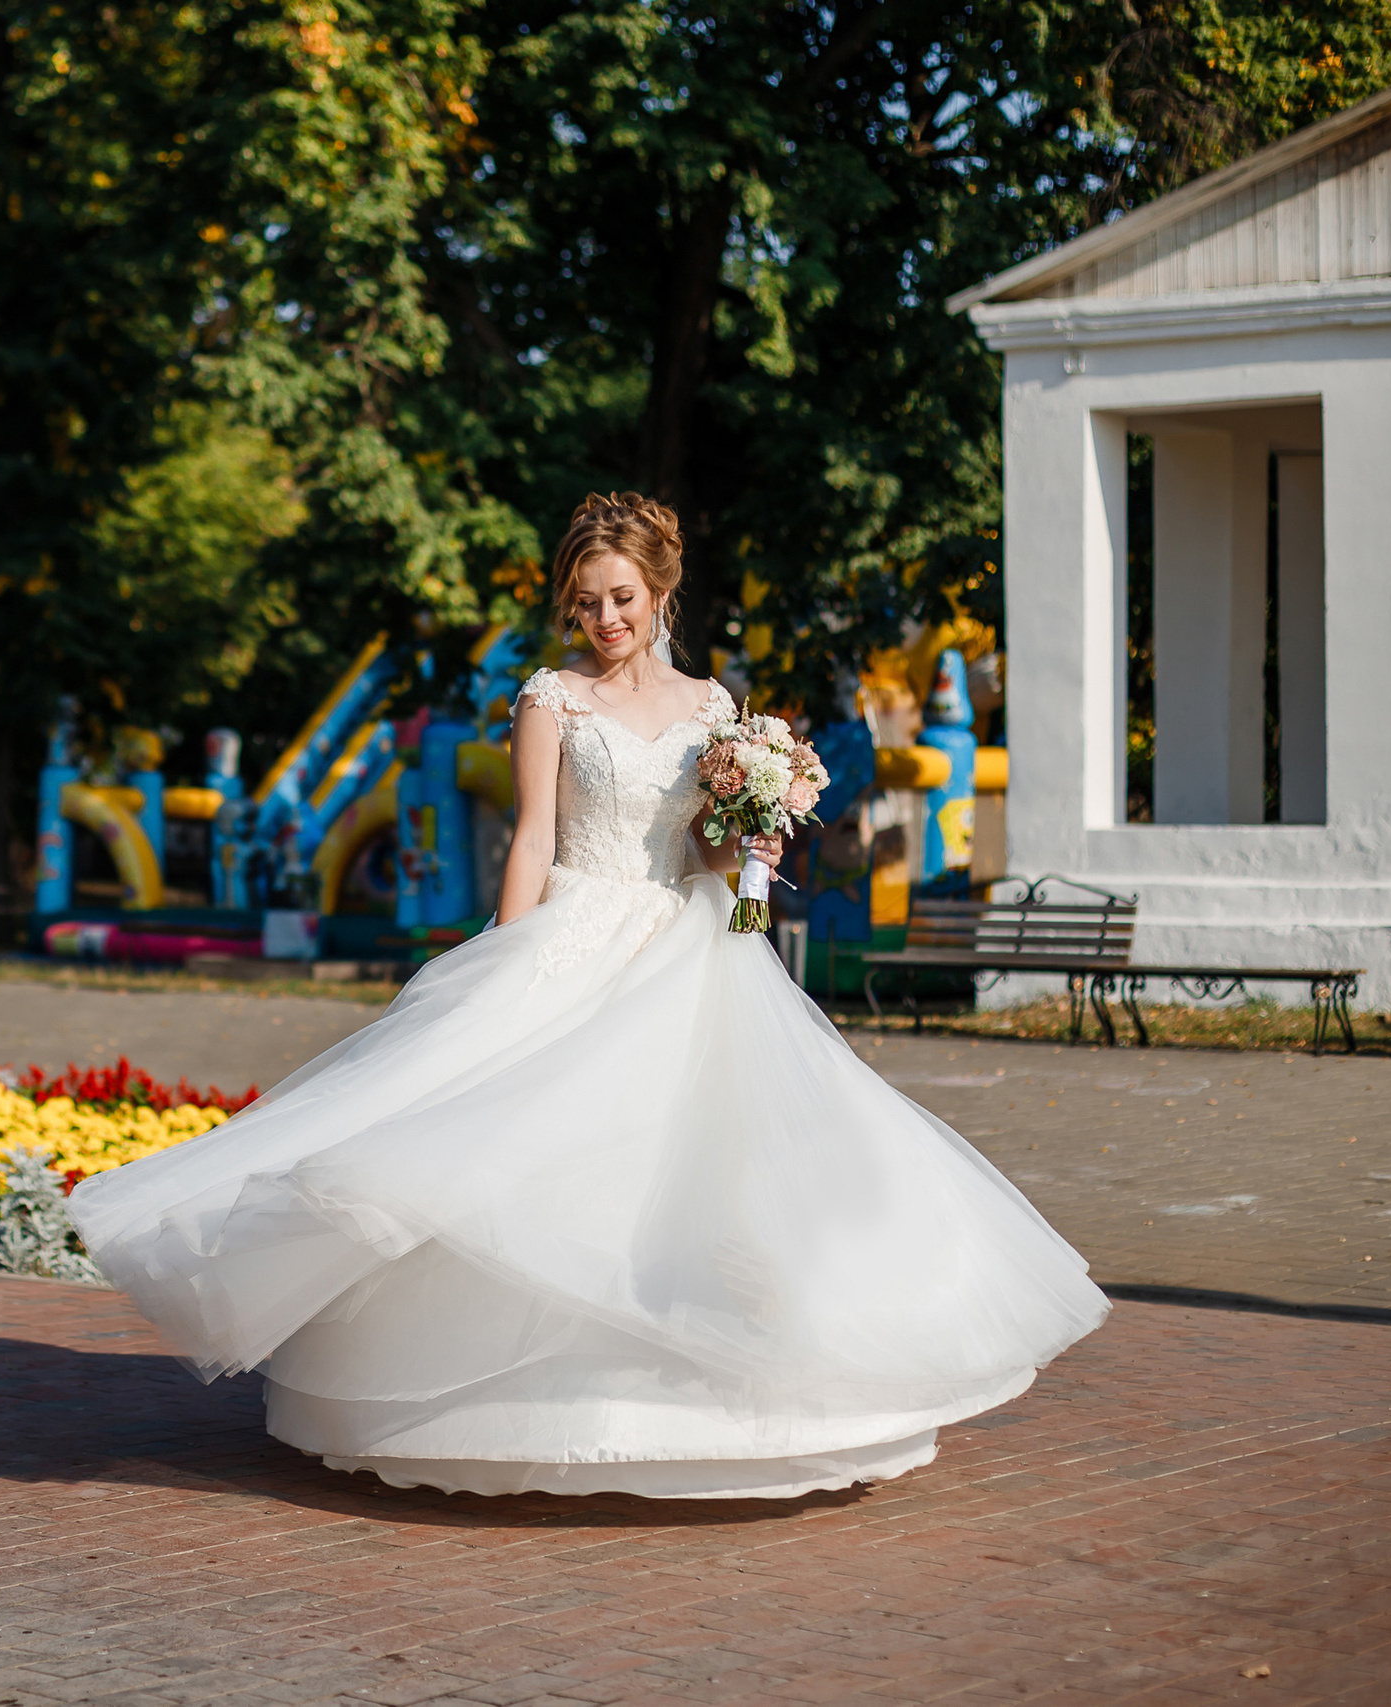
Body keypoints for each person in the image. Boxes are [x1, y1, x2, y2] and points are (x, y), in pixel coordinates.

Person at [67, 493, 1108, 1500]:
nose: (604, 619)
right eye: (585, 602)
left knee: (706, 1157)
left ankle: (720, 1384)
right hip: (576, 931)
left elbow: (700, 848)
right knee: (522, 1142)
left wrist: (752, 838)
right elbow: (532, 837)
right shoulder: (550, 699)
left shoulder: (713, 708)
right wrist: (502, 963)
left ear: (660, 591)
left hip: (691, 944)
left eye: (621, 598)